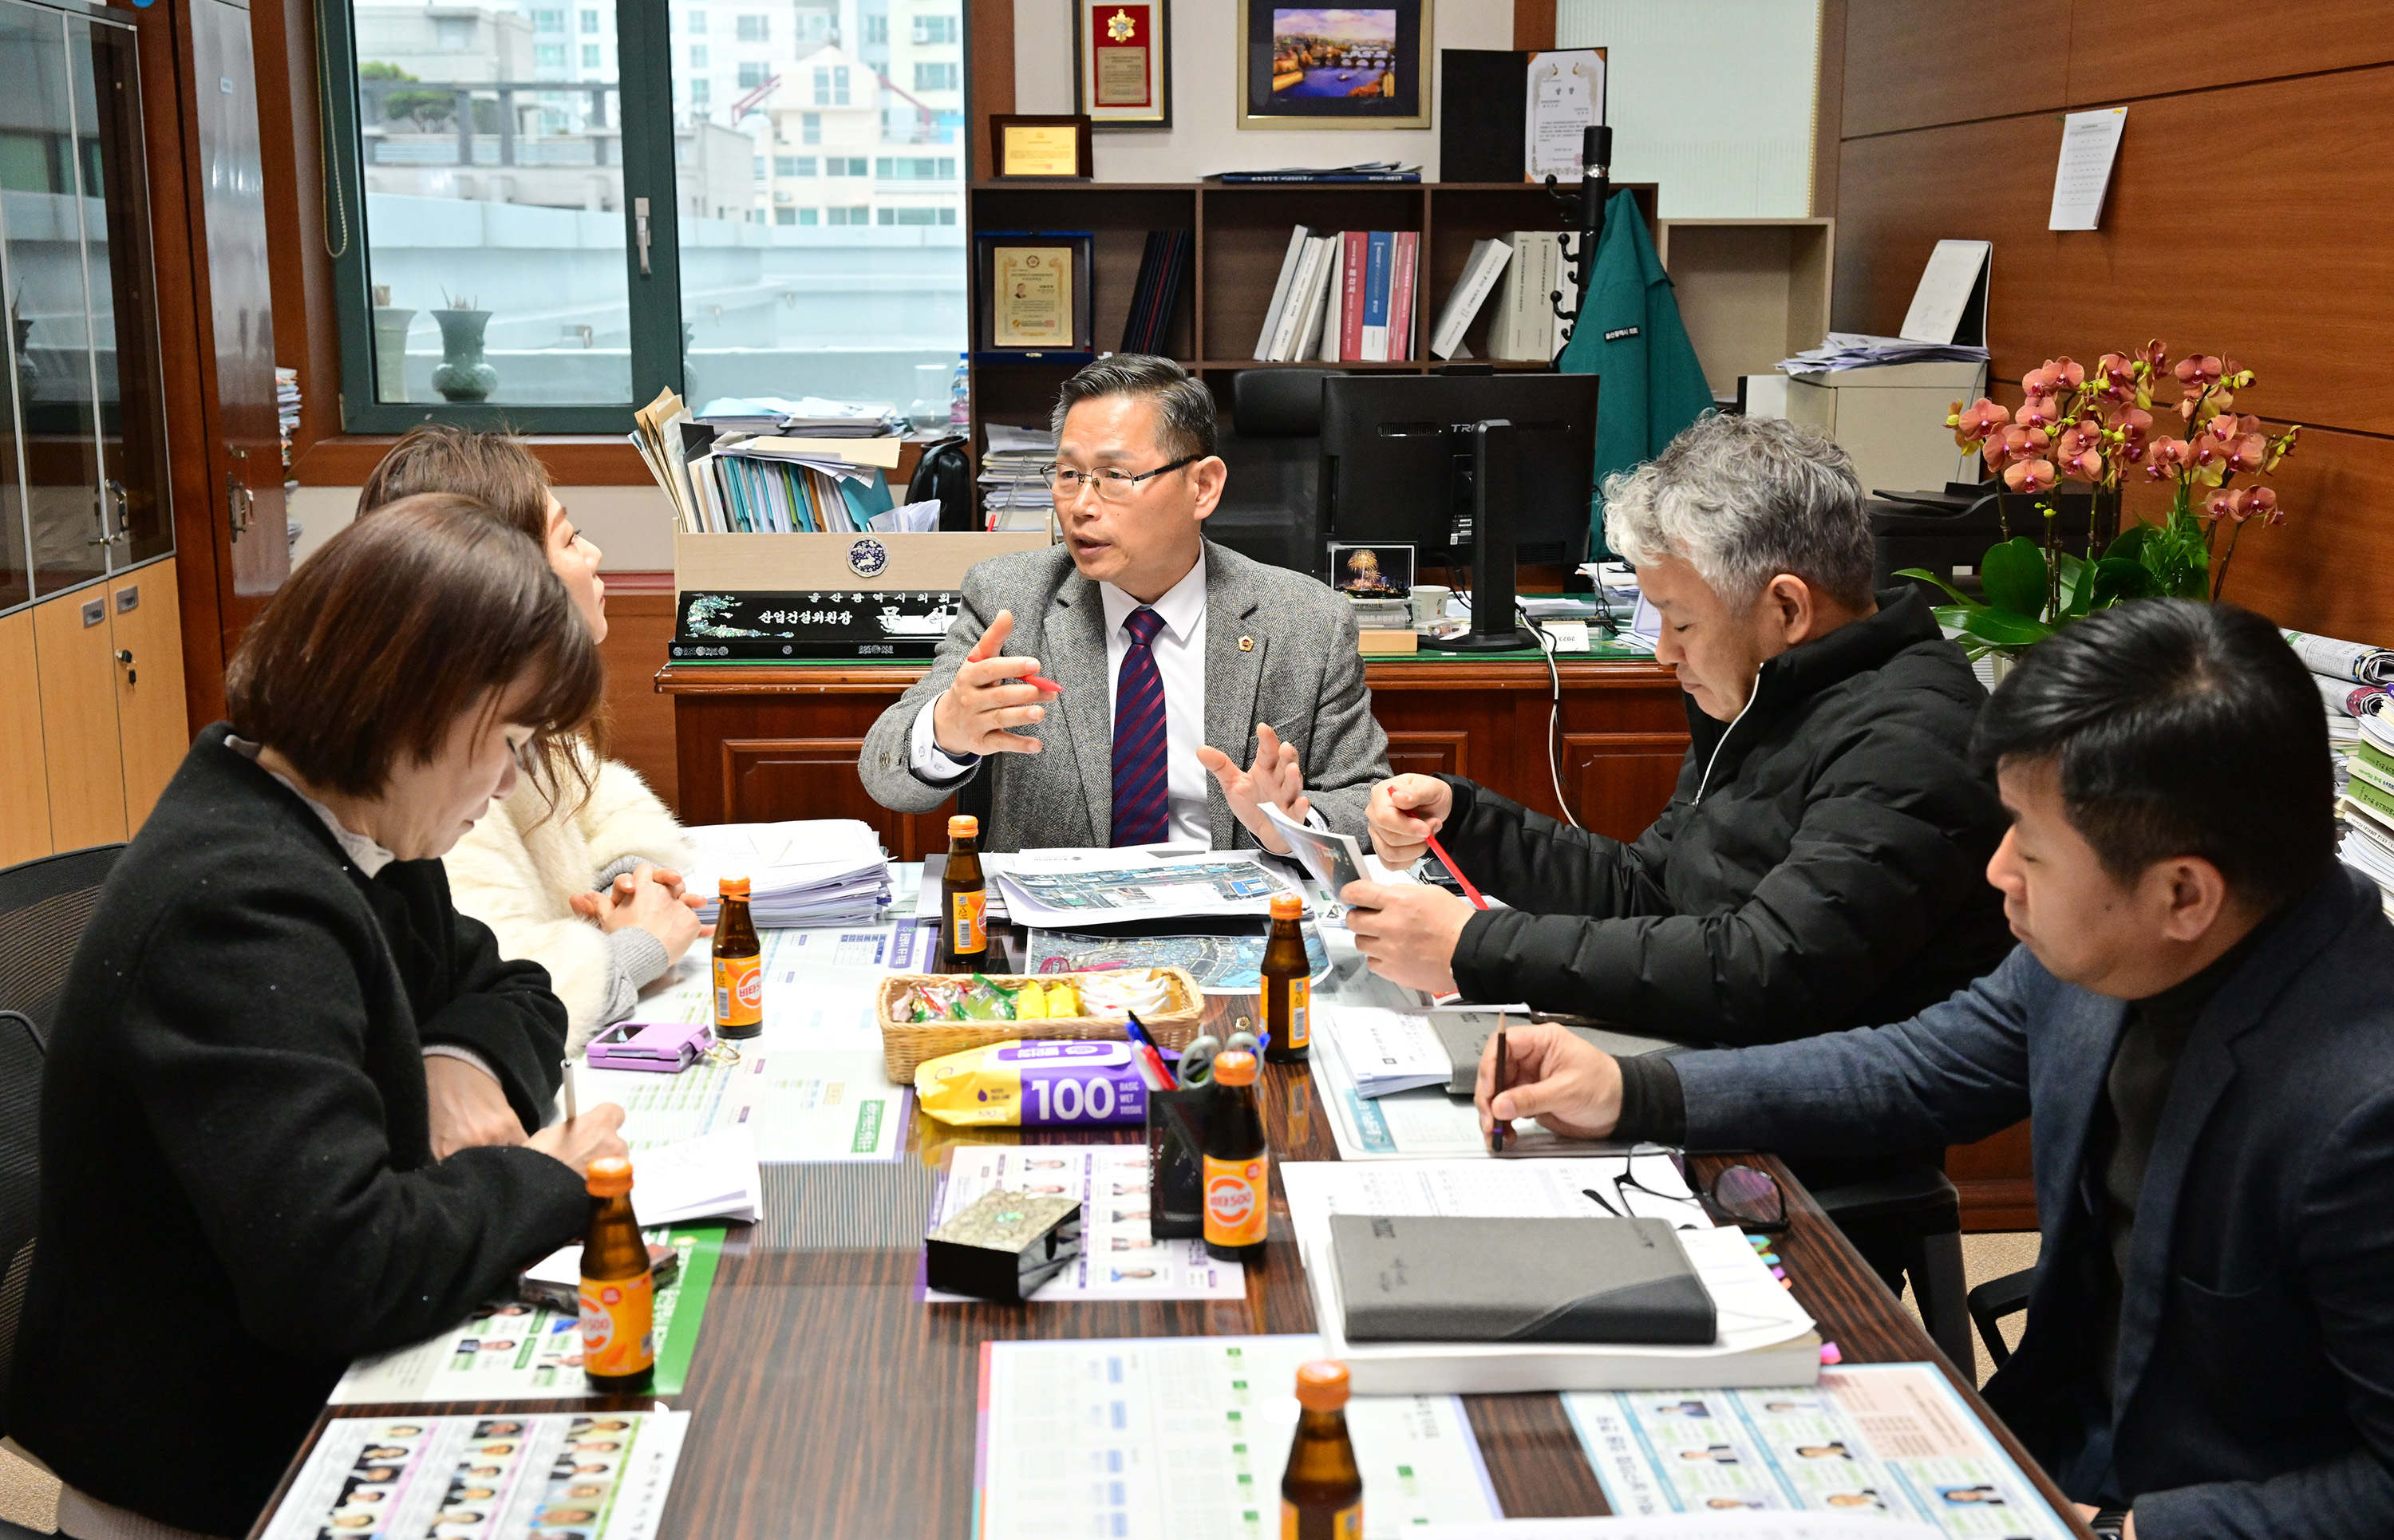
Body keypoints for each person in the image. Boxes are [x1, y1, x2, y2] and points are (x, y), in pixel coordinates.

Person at [1474, 601, 2394, 1536]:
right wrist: (1637, 1091)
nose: (1998, 870)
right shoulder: (2127, 944)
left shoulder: (2364, 1109)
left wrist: (2132, 1532)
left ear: (2184, 891)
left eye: (2031, 850)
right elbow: (1917, 1065)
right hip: (2030, 1453)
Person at [2, 497, 631, 1539]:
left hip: (305, 1402)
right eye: (507, 738)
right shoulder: (239, 906)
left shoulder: (344, 823)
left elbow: (514, 989)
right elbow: (343, 1270)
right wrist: (550, 1179)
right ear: (417, 711)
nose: (512, 776)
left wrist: (453, 1058)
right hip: (217, 1477)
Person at [1341, 413, 2012, 1044]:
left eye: (1681, 621)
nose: (1664, 652)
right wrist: (1463, 820)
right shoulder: (1773, 690)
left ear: (1787, 606)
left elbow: (1766, 970)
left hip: (1801, 1137)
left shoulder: (1912, 740)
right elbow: (1651, 890)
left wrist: (1478, 947)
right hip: (1709, 1064)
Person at [859, 354, 1390, 852]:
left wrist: (1291, 825)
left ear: (1202, 486)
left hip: (1238, 926)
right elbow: (886, 777)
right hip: (1057, 927)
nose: (1082, 506)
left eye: (1115, 476)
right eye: (1068, 475)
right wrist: (945, 731)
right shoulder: (1010, 598)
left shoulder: (1307, 620)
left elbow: (1365, 798)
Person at [358, 424, 702, 1063]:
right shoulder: (431, 775)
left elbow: (601, 806)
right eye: (570, 539)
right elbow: (491, 994)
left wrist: (625, 881)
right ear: (499, 580)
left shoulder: (503, 711)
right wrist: (635, 948)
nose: (594, 555)